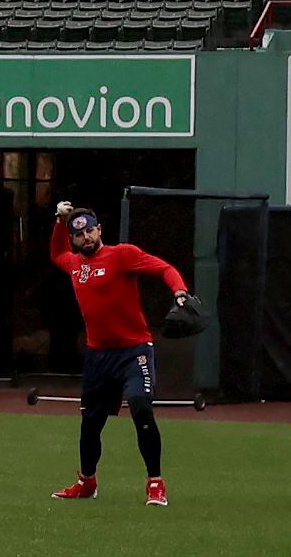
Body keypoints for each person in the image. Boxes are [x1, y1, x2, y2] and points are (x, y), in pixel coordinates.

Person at [47, 201, 192, 506]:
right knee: (90, 424)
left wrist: (179, 291)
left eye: (89, 231)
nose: (85, 237)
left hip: (134, 351)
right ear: (74, 240)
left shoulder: (122, 255)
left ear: (99, 230)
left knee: (140, 407)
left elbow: (164, 268)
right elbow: (56, 254)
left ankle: (155, 483)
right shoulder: (74, 264)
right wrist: (60, 223)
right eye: (79, 235)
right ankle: (87, 482)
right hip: (98, 357)